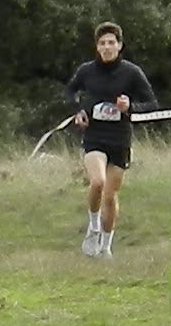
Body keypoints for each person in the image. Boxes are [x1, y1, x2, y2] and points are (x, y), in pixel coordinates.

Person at [64, 23, 159, 255]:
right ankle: (93, 227)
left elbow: (152, 104)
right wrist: (78, 110)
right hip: (95, 135)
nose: (107, 47)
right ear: (97, 47)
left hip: (120, 138)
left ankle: (105, 247)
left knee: (110, 196)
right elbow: (69, 91)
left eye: (111, 43)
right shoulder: (87, 71)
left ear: (119, 46)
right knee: (97, 182)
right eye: (102, 43)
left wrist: (130, 107)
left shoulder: (131, 72)